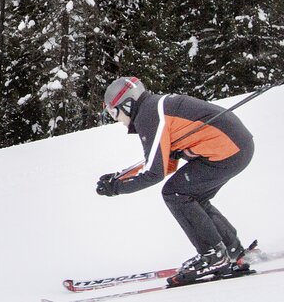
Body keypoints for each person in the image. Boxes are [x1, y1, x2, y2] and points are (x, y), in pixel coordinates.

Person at [94, 76, 257, 284]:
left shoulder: (149, 115)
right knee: (190, 196)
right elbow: (165, 163)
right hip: (236, 146)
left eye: (113, 111)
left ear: (127, 103)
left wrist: (116, 187)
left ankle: (214, 257)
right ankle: (232, 250)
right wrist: (119, 178)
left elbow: (154, 173)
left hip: (227, 149)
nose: (115, 118)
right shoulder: (153, 107)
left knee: (176, 193)